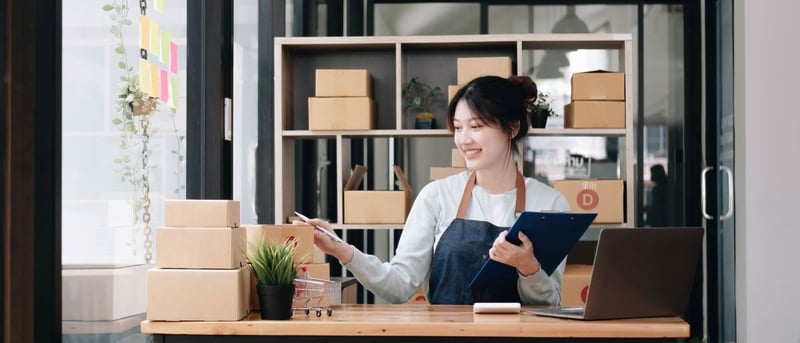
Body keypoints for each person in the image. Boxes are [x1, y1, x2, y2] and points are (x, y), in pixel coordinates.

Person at [302, 75, 569, 305]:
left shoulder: (550, 204)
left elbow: (550, 303)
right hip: (447, 337)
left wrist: (528, 267)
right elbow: (399, 286)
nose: (464, 139)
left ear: (512, 128)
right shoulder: (437, 196)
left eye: (476, 126)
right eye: (458, 127)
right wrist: (341, 249)